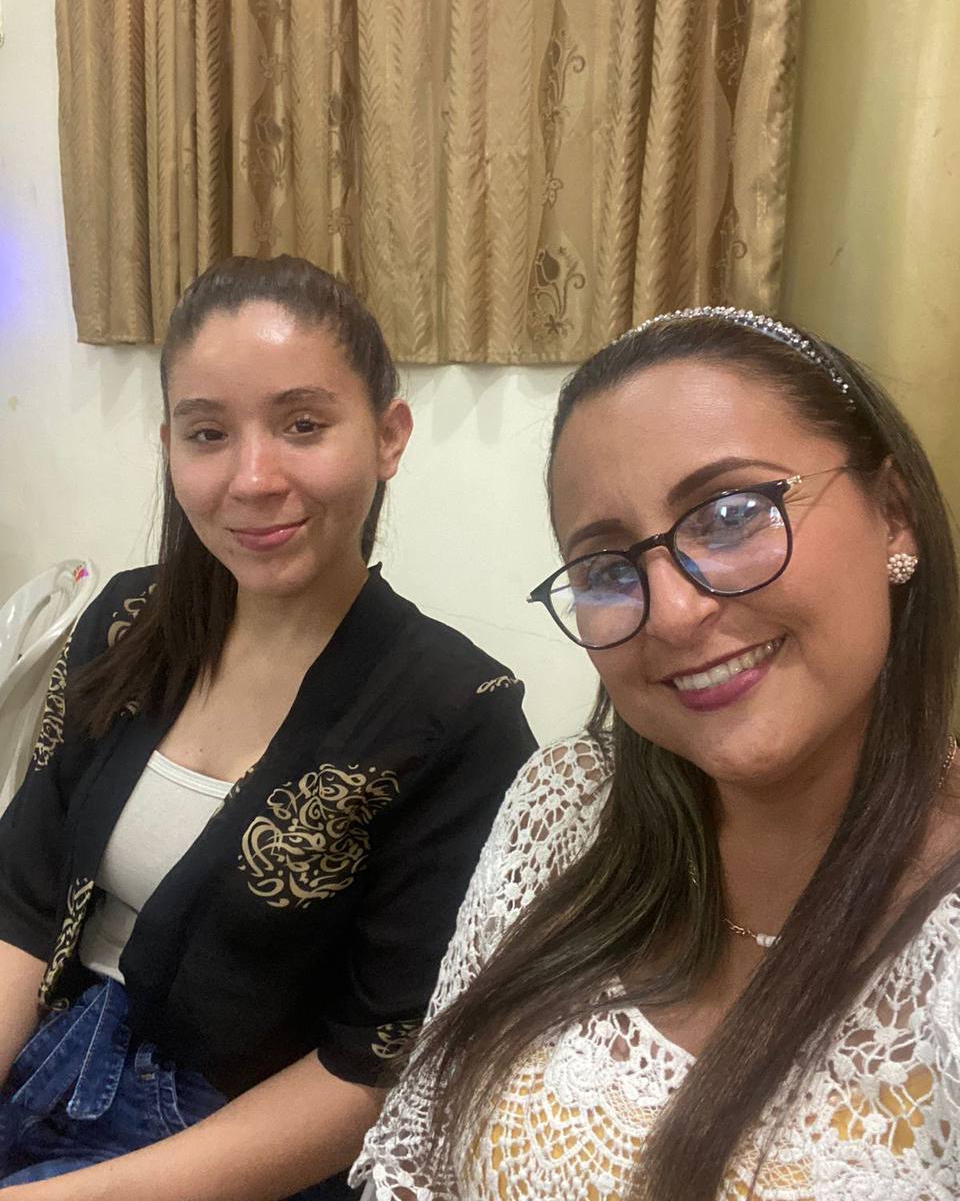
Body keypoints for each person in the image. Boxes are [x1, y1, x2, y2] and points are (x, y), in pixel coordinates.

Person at [352, 307, 960, 1200]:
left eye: (731, 515)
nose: (673, 614)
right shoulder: (568, 806)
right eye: (606, 569)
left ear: (894, 516)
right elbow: (415, 1153)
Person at [0, 256, 536, 1200]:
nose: (252, 479)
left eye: (302, 425)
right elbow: (22, 904)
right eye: (208, 434)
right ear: (169, 446)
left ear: (389, 435)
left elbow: (374, 1068)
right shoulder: (126, 623)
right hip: (52, 1055)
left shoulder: (459, 715)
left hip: (236, 1144)